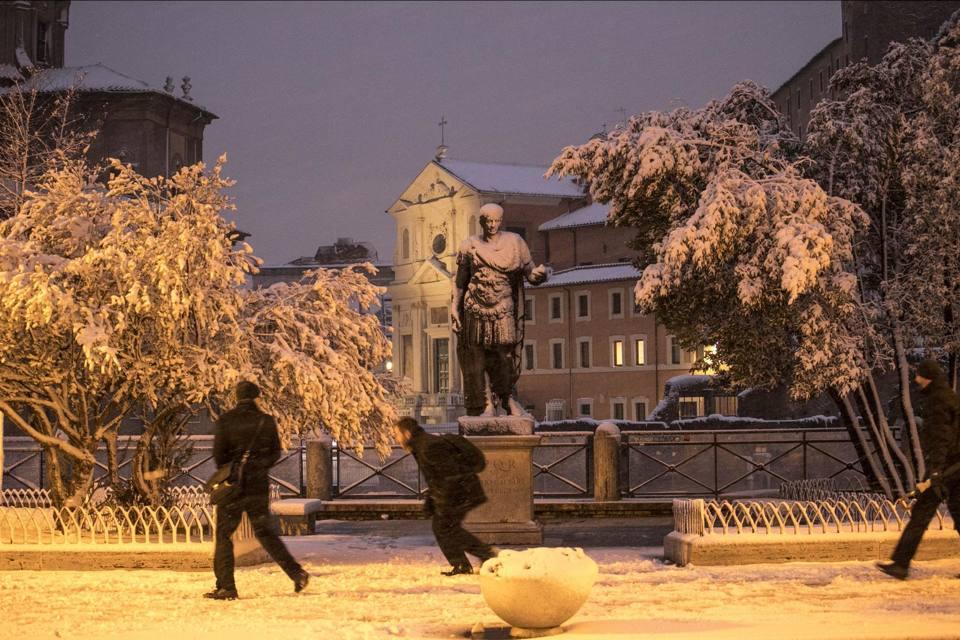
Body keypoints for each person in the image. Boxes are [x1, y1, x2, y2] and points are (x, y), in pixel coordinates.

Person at [205, 381, 310, 600]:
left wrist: (234, 470)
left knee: (224, 535)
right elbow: (274, 453)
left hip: (232, 488)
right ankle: (296, 573)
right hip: (257, 486)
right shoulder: (266, 421)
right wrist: (257, 468)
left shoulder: (226, 421)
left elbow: (219, 456)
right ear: (256, 397)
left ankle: (226, 586)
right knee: (265, 533)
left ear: (236, 397)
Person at [451, 203, 547, 417]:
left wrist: (540, 275)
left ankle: (507, 397)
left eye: (496, 221)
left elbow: (529, 272)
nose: (492, 225)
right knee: (478, 357)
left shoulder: (515, 243)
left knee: (505, 355)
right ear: (482, 222)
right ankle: (486, 403)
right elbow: (460, 282)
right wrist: (454, 308)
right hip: (475, 307)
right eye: (488, 221)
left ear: (501, 221)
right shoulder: (470, 246)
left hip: (503, 307)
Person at [877, 359, 960, 580]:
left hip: (945, 468)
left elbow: (942, 438)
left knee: (921, 514)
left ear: (928, 377)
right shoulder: (946, 396)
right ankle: (900, 563)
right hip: (952, 466)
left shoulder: (938, 400)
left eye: (919, 375)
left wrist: (935, 472)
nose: (916, 379)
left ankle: (901, 564)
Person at [396, 417, 496, 575]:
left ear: (407, 433)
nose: (396, 439)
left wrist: (442, 502)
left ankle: (487, 555)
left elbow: (449, 475)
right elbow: (436, 477)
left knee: (447, 528)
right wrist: (433, 501)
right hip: (456, 491)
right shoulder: (421, 445)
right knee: (443, 527)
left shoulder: (428, 446)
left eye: (397, 434)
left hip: (461, 491)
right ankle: (465, 563)